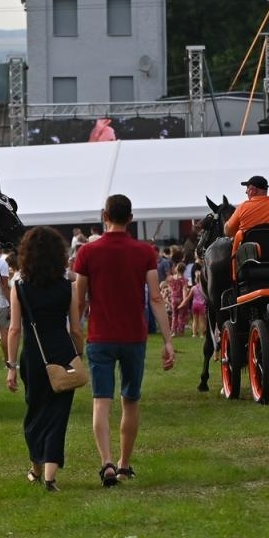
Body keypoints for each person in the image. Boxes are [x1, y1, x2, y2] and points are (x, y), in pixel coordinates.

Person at [71, 193, 174, 488]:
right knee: (130, 399)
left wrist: (75, 334)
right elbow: (156, 297)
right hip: (133, 336)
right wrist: (167, 340)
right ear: (131, 218)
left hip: (100, 336)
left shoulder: (87, 253)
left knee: (101, 401)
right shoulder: (144, 252)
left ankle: (106, 462)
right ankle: (125, 464)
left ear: (105, 215)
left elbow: (79, 301)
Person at [5, 226, 82, 493]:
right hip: (63, 353)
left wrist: (11, 366)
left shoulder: (20, 288)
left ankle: (36, 469)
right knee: (58, 414)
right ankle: (48, 474)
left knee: (34, 412)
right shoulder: (67, 287)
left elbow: (14, 329)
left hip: (34, 356)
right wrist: (79, 353)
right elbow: (75, 329)